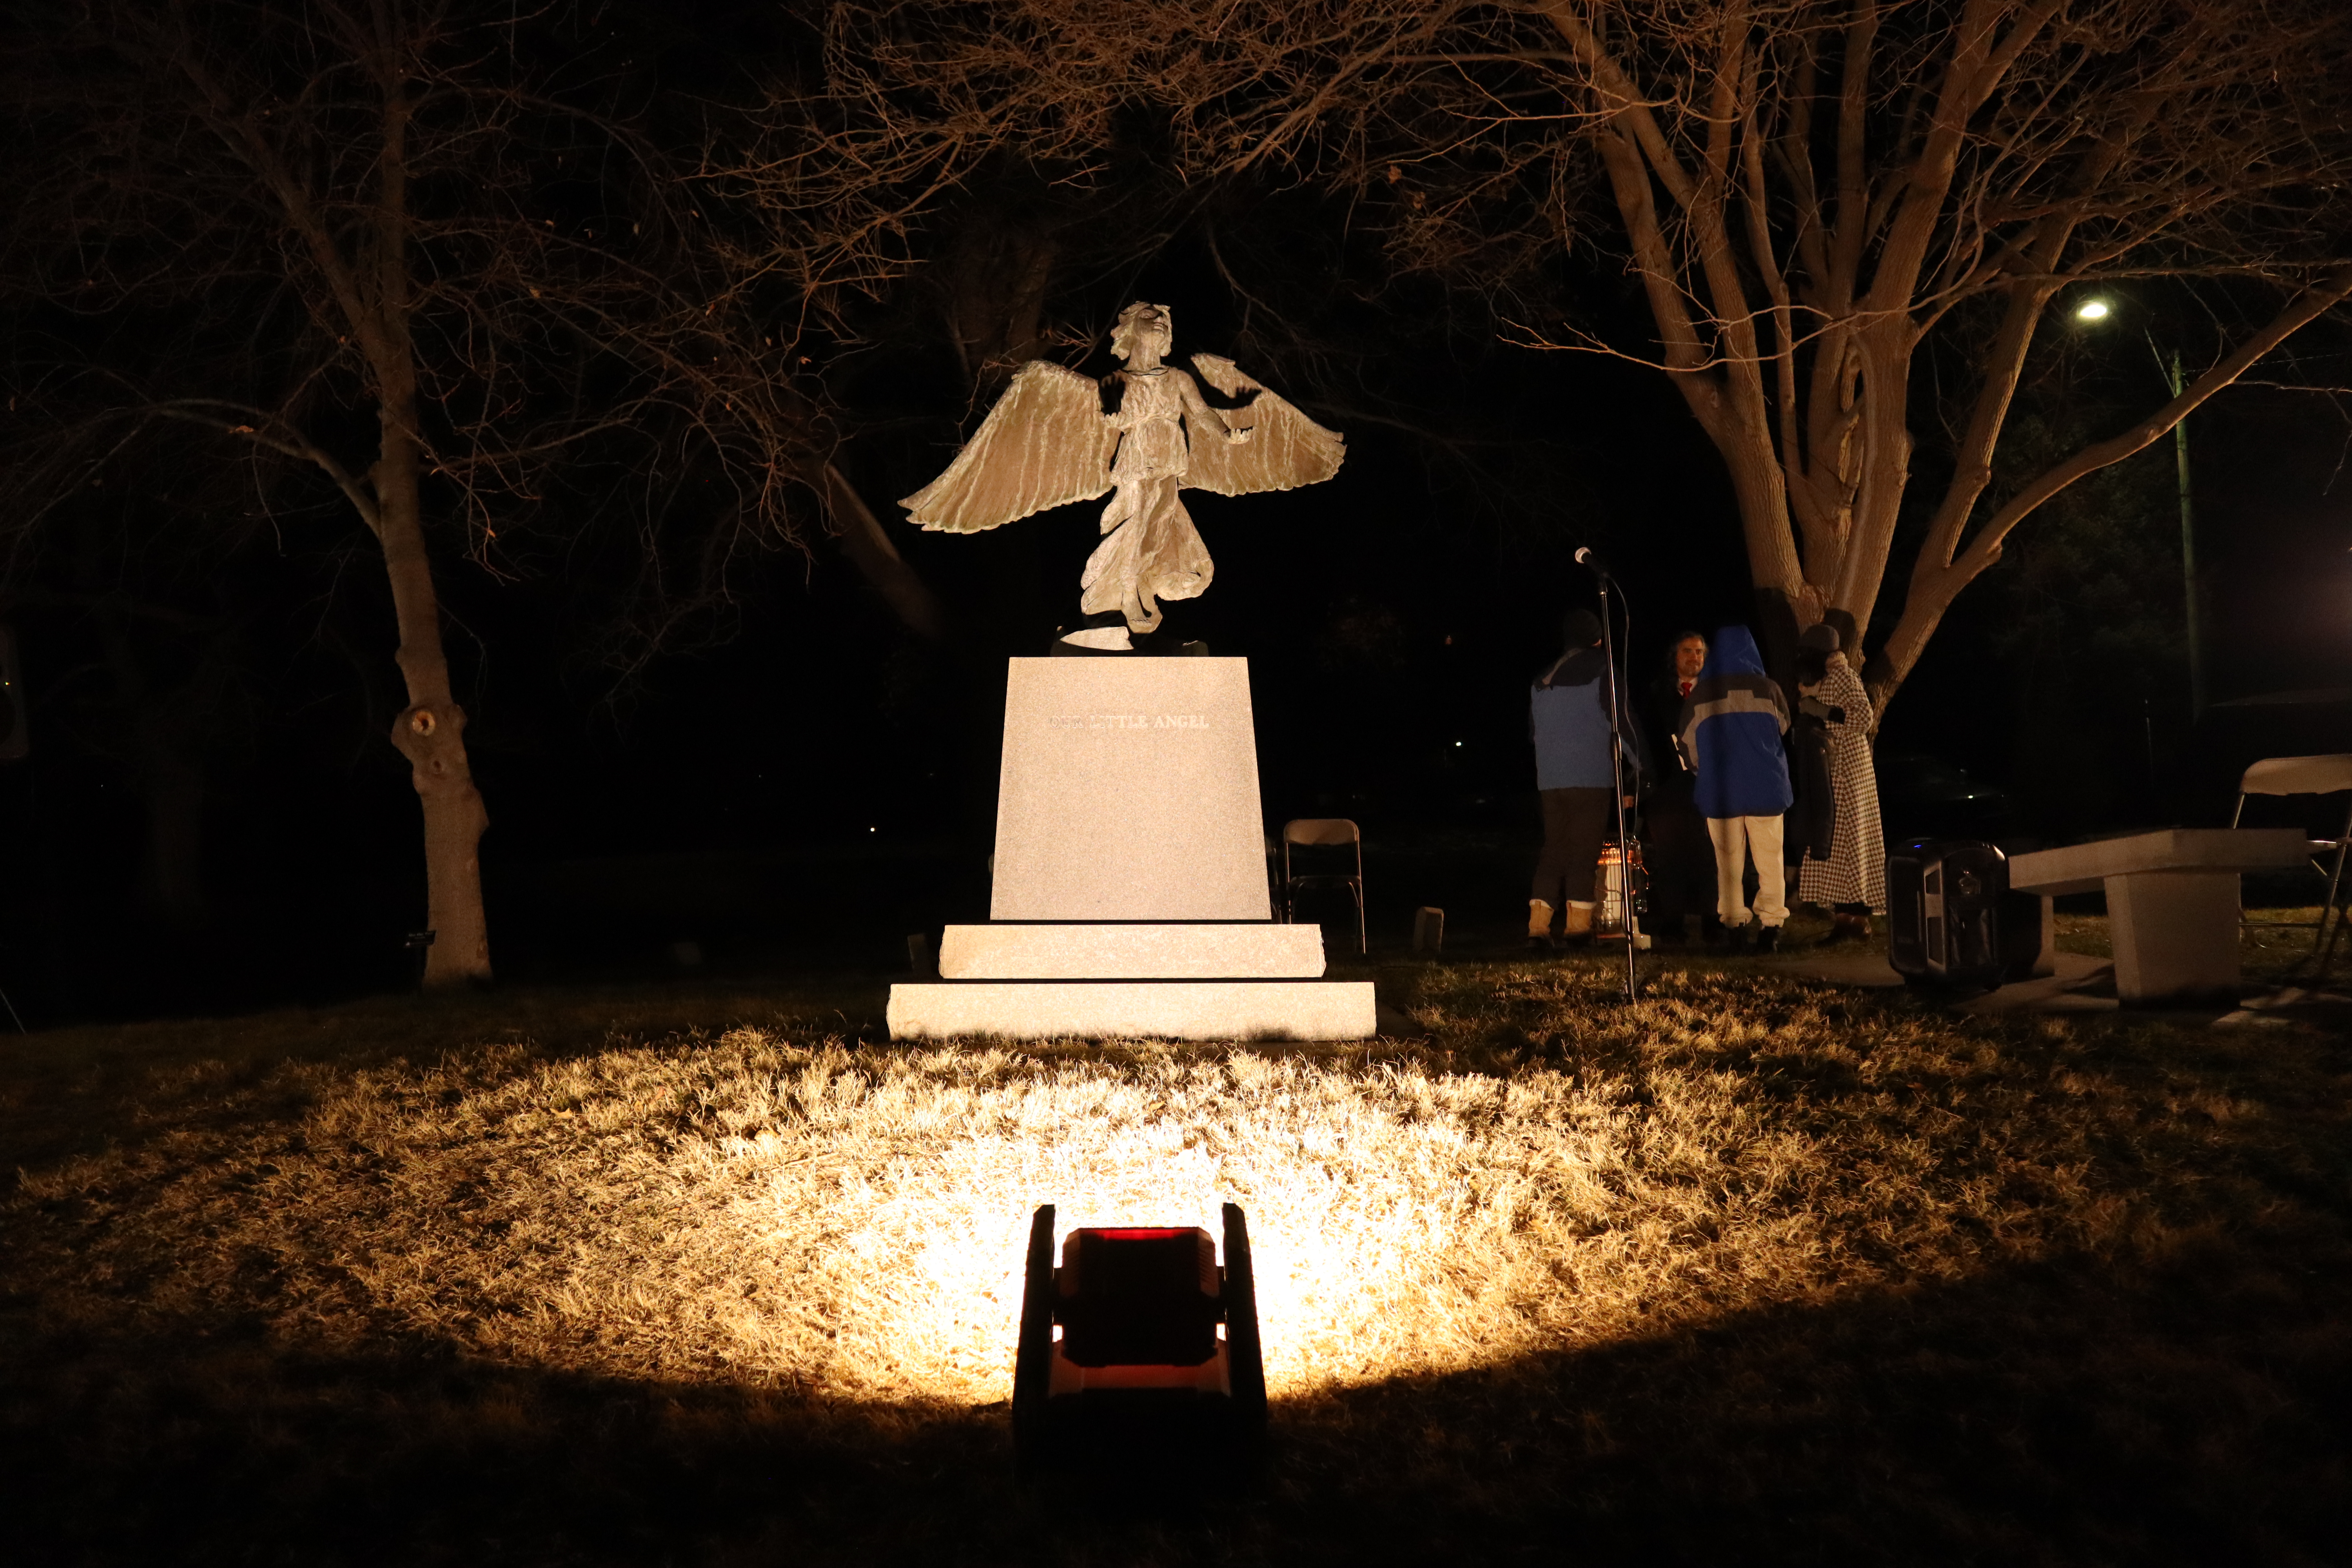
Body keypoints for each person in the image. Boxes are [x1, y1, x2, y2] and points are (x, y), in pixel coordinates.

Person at [1529, 608, 1642, 948]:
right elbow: (1623, 723)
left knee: (1554, 850)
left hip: (1551, 780)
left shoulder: (1542, 677)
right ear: (1598, 637)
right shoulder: (1603, 670)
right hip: (1590, 777)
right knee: (1583, 852)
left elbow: (1533, 733)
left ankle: (1538, 929)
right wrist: (1641, 768)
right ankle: (1577, 928)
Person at [1678, 624, 1793, 951]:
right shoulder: (1769, 689)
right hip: (1766, 789)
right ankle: (1771, 927)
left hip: (1721, 790)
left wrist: (1706, 768)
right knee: (1770, 861)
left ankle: (1734, 926)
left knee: (1728, 863)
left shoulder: (1702, 693)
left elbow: (1687, 743)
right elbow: (1783, 726)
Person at [1796, 613, 1888, 941]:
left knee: (1848, 838)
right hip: (1838, 764)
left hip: (1848, 765)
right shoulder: (1831, 677)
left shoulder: (1845, 677)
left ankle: (1856, 919)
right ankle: (1846, 918)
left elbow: (1863, 718)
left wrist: (1817, 709)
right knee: (1840, 840)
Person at [1639, 630, 1715, 944]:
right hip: (1668, 785)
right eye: (1688, 651)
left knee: (1709, 854)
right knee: (1671, 855)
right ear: (1675, 656)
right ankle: (1673, 921)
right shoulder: (1656, 694)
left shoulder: (1713, 693)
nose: (1694, 657)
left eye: (1699, 652)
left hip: (1707, 785)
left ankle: (1713, 920)